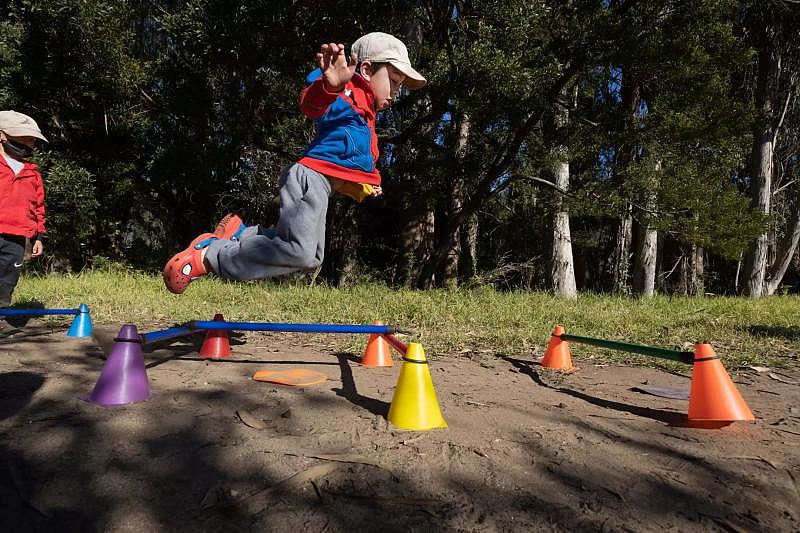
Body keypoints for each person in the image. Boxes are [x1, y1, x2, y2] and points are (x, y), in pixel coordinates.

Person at [163, 32, 426, 293]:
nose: (396, 91)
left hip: (320, 186)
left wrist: (370, 181)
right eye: (393, 80)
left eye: (400, 85)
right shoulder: (345, 91)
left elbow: (355, 155)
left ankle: (240, 234)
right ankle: (209, 255)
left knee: (311, 257)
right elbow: (311, 106)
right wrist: (329, 87)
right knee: (299, 251)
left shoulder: (366, 115)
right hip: (310, 177)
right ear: (367, 69)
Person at [0, 110, 47, 307]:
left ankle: (1, 313)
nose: (28, 143)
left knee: (7, 279)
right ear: (2, 135)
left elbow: (38, 207)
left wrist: (39, 237)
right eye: (23, 137)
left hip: (17, 237)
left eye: (32, 140)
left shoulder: (33, 173)